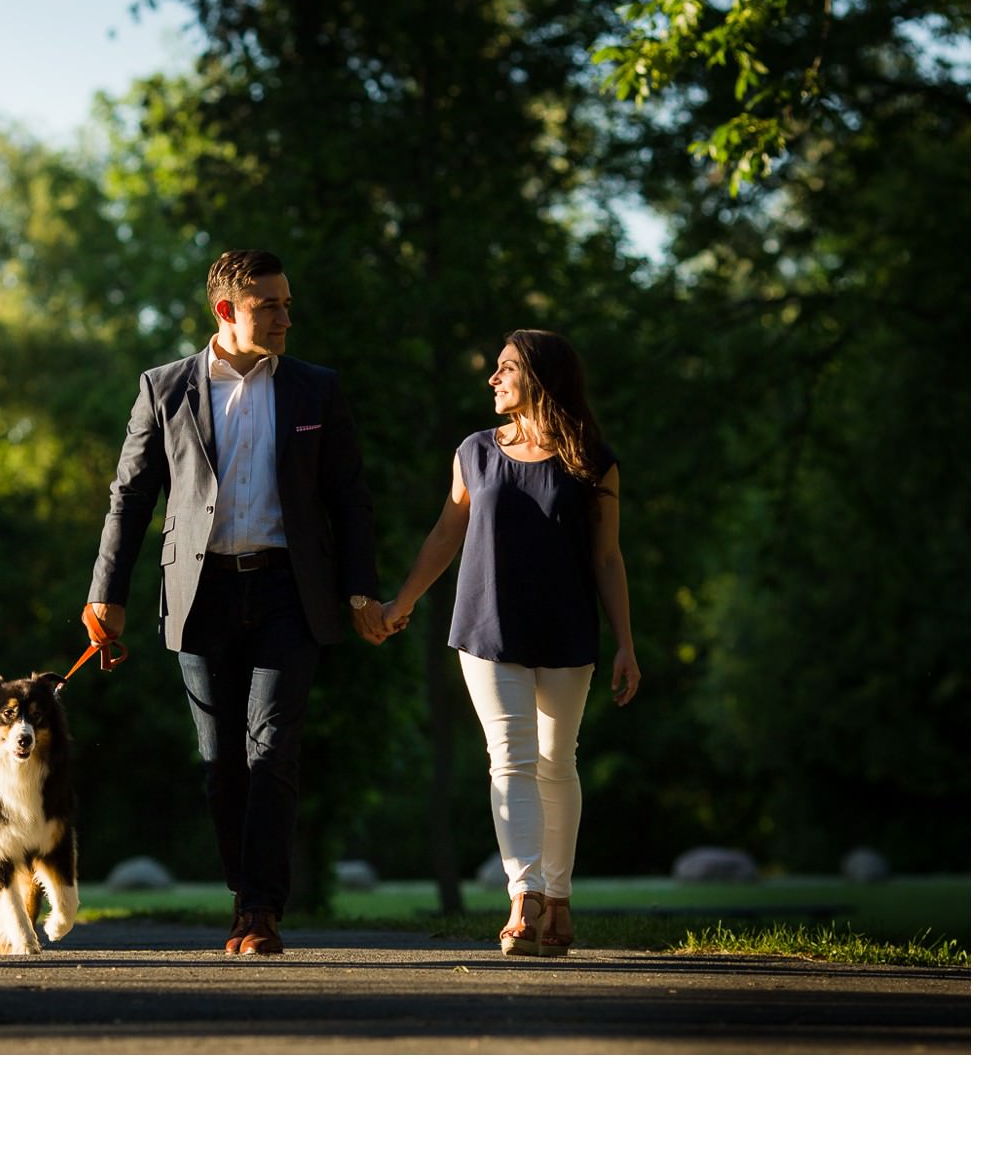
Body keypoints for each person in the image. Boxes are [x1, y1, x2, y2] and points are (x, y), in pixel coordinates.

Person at [85, 249, 389, 956]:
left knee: (273, 752)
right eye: (271, 306)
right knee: (222, 765)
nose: (287, 317)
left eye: (288, 303)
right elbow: (129, 498)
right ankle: (244, 893)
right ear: (227, 311)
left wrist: (360, 588)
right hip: (200, 595)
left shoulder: (318, 390)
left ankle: (259, 912)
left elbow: (351, 499)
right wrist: (107, 594)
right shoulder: (165, 389)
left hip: (291, 591)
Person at [380, 329, 639, 957]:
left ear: (540, 379)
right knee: (512, 758)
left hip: (568, 629)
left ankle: (560, 900)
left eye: (504, 369)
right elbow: (446, 534)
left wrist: (627, 644)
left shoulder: (593, 462)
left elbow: (608, 558)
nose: (492, 380)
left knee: (558, 761)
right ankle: (523, 898)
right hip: (487, 626)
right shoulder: (474, 452)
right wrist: (402, 602)